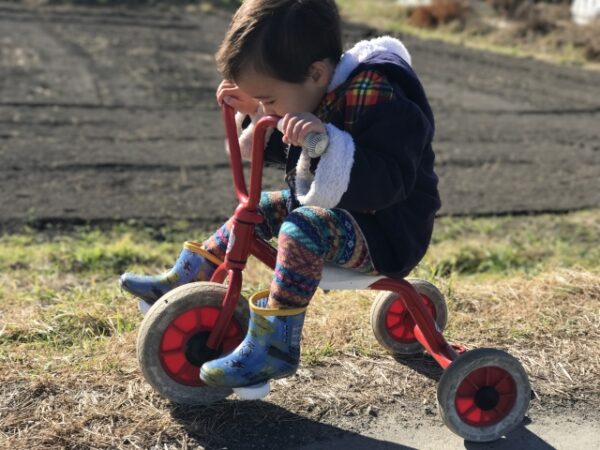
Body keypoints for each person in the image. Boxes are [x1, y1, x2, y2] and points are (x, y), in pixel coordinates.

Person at [120, 0, 440, 389]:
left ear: (317, 73)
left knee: (301, 226)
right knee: (258, 210)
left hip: (389, 231)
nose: (266, 107)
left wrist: (324, 143)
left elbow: (390, 182)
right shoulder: (316, 90)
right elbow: (292, 150)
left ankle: (276, 348)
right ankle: (187, 278)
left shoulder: (382, 97)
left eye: (269, 99)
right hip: (344, 213)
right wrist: (256, 116)